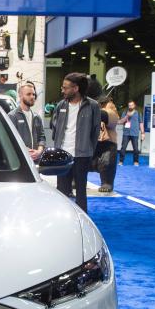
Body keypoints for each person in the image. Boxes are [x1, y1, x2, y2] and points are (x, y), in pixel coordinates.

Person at [51, 73, 101, 211]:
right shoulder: (60, 105)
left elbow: (95, 131)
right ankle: (61, 216)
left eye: (65, 88)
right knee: (61, 190)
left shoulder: (93, 106)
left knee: (81, 191)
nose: (62, 90)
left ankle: (82, 219)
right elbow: (54, 127)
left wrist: (89, 150)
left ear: (76, 88)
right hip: (62, 154)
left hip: (82, 156)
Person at [8, 83, 45, 161]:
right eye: (28, 94)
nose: (32, 97)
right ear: (20, 96)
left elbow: (42, 137)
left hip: (35, 159)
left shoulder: (37, 117)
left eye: (33, 94)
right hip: (20, 160)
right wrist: (25, 150)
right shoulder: (12, 116)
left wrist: (39, 151)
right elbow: (10, 139)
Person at [94, 96, 118, 193]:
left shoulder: (110, 108)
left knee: (107, 163)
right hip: (91, 143)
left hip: (107, 143)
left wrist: (94, 112)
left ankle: (107, 182)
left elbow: (110, 117)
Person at [119, 100, 144, 165]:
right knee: (123, 148)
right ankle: (121, 161)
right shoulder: (125, 112)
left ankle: (136, 161)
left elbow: (141, 123)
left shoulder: (138, 113)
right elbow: (121, 122)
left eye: (132, 105)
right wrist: (126, 116)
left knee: (135, 149)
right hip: (126, 133)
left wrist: (143, 133)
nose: (130, 106)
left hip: (135, 133)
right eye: (129, 105)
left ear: (134, 106)